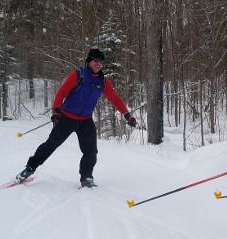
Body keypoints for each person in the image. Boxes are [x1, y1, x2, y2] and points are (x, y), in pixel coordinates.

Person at [16, 48, 137, 188]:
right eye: (95, 61)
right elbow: (61, 93)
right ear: (89, 62)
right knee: (50, 145)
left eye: (101, 61)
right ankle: (29, 168)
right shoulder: (78, 75)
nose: (98, 64)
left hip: (85, 120)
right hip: (66, 118)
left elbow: (115, 99)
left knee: (91, 151)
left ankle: (86, 177)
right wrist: (56, 111)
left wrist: (127, 115)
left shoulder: (103, 81)